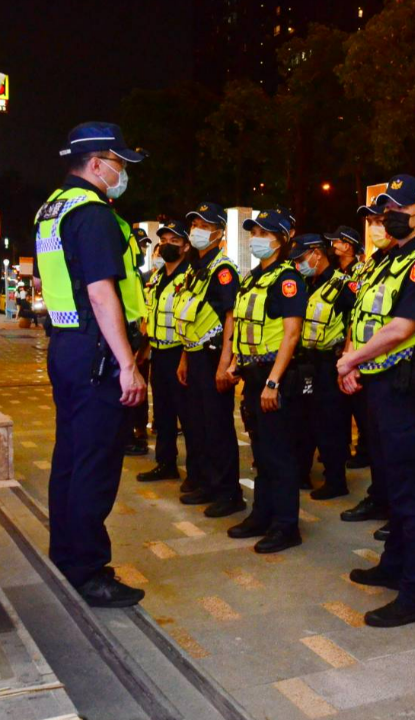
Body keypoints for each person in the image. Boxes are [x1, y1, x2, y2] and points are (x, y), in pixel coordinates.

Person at [36, 122, 148, 607]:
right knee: (95, 466)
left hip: (67, 347)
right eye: (119, 162)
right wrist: (128, 363)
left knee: (71, 459)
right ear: (97, 162)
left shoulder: (51, 208)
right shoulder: (93, 213)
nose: (122, 171)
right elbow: (103, 293)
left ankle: (65, 558)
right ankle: (87, 571)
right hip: (97, 353)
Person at [338, 174, 415, 627]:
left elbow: (402, 328)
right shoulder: (388, 260)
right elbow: (366, 318)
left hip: (404, 387)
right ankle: (393, 564)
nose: (390, 216)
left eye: (400, 208)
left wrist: (350, 362)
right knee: (387, 477)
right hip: (378, 382)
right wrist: (355, 362)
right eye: (386, 207)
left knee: (409, 489)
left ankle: (414, 592)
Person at [226, 209, 306, 552]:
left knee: (279, 454)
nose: (256, 237)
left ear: (280, 239)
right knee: (262, 452)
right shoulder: (254, 277)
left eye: (263, 231)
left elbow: (291, 334)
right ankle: (262, 514)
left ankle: (287, 526)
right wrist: (233, 364)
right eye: (254, 231)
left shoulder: (287, 280)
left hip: (276, 376)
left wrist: (273, 382)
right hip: (253, 375)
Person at [173, 202, 243, 515]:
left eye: (203, 225)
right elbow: (192, 317)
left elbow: (230, 316)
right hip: (196, 355)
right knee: (198, 425)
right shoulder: (195, 268)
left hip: (215, 355)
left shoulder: (223, 269)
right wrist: (185, 358)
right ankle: (207, 483)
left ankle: (229, 493)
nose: (197, 230)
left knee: (217, 426)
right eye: (194, 224)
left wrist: (226, 362)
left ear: (218, 232)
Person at [339, 203, 393, 527]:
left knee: (394, 449)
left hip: (394, 370)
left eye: (380, 221)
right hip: (366, 366)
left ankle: (394, 510)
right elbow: (357, 317)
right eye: (370, 221)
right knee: (374, 441)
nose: (374, 227)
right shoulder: (372, 265)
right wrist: (348, 360)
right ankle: (379, 497)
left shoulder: (412, 263)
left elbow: (399, 326)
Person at [291, 233, 356, 500]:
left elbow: (354, 321)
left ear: (317, 253)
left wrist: (349, 358)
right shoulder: (304, 283)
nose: (298, 264)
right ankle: (301, 471)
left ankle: (335, 479)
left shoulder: (343, 286)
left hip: (330, 362)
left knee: (332, 422)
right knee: (303, 420)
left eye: (302, 258)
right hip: (306, 361)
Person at [137, 220, 193, 483]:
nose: (167, 245)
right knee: (163, 413)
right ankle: (165, 463)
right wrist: (145, 349)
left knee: (188, 415)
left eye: (174, 241)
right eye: (164, 241)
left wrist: (185, 356)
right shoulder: (158, 278)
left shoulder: (190, 276)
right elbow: (152, 316)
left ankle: (196, 470)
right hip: (158, 353)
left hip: (181, 354)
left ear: (185, 246)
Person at [326, 224, 373, 471]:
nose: (334, 246)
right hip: (334, 344)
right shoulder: (334, 272)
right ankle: (340, 448)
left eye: (337, 242)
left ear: (348, 245)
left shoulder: (359, 272)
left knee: (359, 405)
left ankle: (364, 450)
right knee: (338, 406)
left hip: (353, 344)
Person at [125, 225, 153, 457]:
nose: (143, 249)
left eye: (145, 245)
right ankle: (126, 436)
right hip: (126, 340)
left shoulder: (136, 274)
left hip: (139, 340)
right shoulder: (125, 273)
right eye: (140, 245)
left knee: (139, 391)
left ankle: (136, 431)